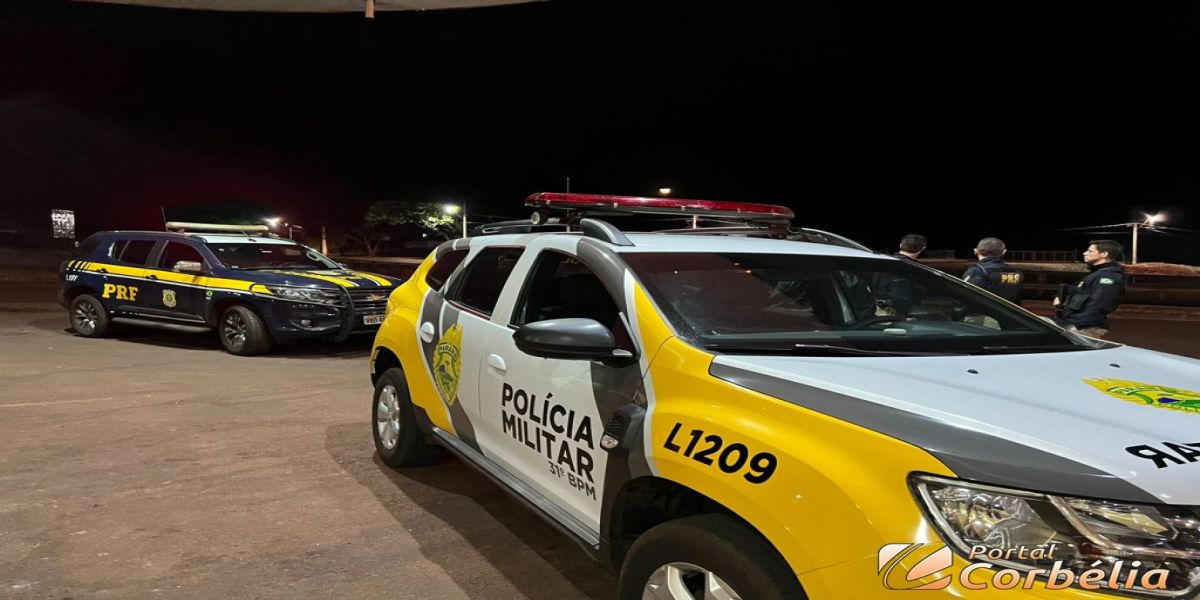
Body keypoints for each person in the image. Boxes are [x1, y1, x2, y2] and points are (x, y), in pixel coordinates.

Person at [1054, 239, 1126, 338]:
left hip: (1084, 327)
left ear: (1104, 254)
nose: (1085, 253)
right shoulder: (1097, 274)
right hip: (1077, 324)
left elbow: (1098, 305)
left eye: (1090, 251)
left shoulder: (1108, 276)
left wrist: (1075, 324)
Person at [873, 234, 926, 317]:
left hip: (877, 310)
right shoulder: (916, 268)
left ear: (900, 245)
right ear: (923, 249)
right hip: (900, 314)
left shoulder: (882, 262)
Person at [962, 237, 1023, 305]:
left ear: (975, 251)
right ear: (1004, 252)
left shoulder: (976, 271)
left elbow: (966, 297)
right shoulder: (1016, 273)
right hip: (1007, 311)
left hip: (983, 311)